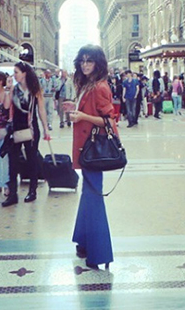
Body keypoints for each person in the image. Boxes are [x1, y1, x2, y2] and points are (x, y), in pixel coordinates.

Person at [69, 45, 117, 270]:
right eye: (82, 60)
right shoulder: (87, 84)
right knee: (88, 195)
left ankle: (99, 253)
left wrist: (82, 116)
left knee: (94, 197)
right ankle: (84, 243)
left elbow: (109, 121)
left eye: (90, 61)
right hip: (85, 149)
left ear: (98, 63)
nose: (85, 64)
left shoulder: (99, 87)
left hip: (94, 152)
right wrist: (75, 109)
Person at [3, 62, 50, 207]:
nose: (14, 75)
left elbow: (41, 110)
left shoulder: (35, 89)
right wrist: (8, 89)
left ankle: (32, 191)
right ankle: (13, 194)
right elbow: (6, 106)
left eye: (16, 72)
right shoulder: (14, 89)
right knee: (12, 161)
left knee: (32, 159)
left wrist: (46, 128)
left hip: (31, 128)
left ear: (24, 73)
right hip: (16, 128)